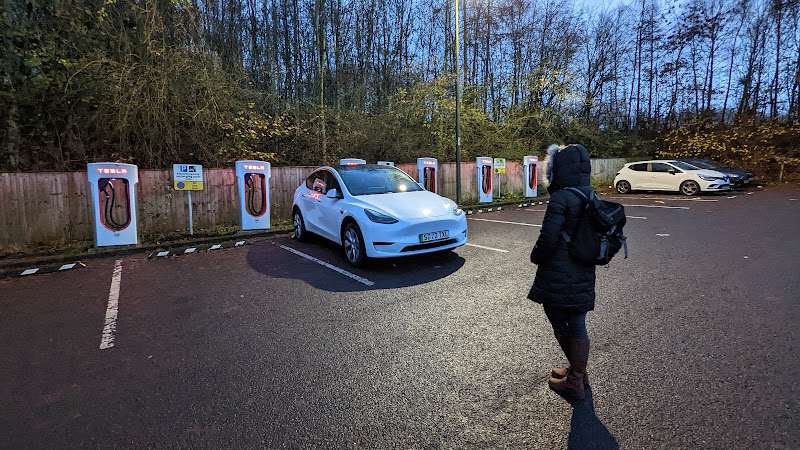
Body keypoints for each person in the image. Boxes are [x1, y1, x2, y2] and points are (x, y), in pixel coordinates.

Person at [529, 143, 595, 402]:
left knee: (560, 320)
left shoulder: (561, 197)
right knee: (577, 321)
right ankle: (578, 373)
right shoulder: (590, 193)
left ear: (559, 170)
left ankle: (575, 381)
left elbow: (548, 238)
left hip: (559, 270)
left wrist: (536, 256)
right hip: (584, 269)